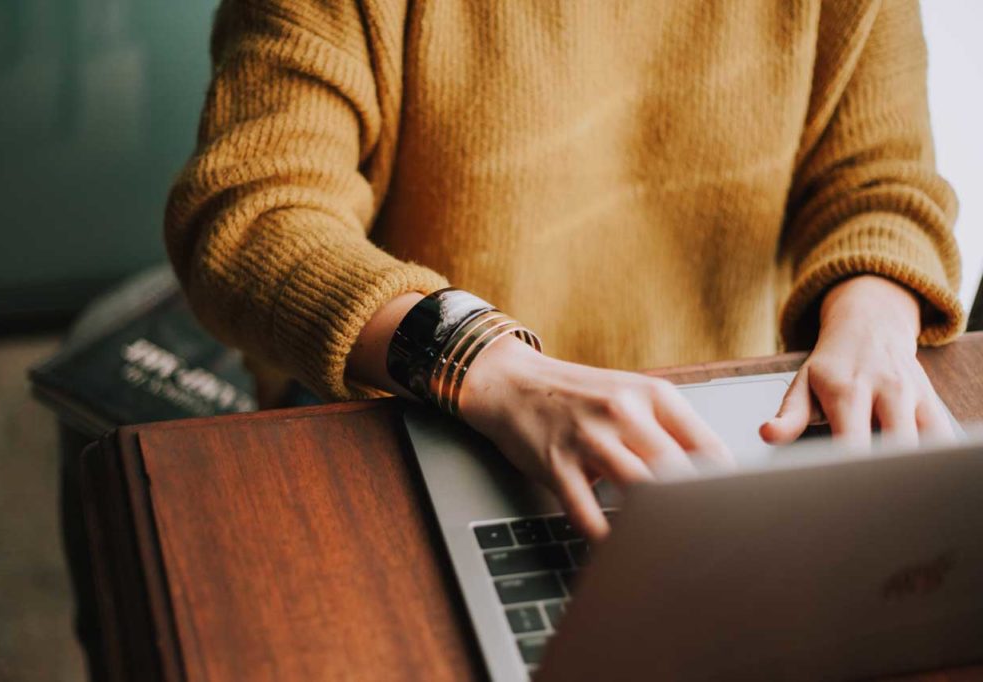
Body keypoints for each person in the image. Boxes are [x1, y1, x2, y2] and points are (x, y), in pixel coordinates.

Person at [165, 0, 964, 541]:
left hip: (718, 437)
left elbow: (881, 183)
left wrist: (876, 316)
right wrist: (484, 363)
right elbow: (251, 213)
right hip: (418, 414)